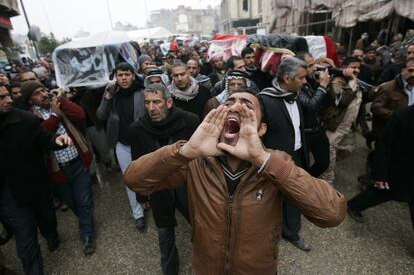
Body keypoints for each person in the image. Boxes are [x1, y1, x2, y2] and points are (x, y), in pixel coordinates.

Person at [124, 89, 346, 275]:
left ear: (261, 129)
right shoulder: (197, 161)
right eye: (228, 103)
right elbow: (135, 180)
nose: (235, 107)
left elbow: (332, 213)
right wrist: (185, 151)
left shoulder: (277, 162)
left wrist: (263, 160)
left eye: (247, 105)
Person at [0, 84, 72, 274]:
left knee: (47, 219)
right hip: (9, 194)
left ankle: (51, 236)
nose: (8, 100)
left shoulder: (25, 119)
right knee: (26, 238)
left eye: (7, 95)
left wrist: (57, 141)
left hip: (36, 184)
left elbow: (44, 138)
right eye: (1, 98)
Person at [129, 83, 199, 275]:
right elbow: (138, 164)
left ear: (168, 102)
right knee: (165, 233)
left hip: (188, 185)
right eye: (147, 103)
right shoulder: (137, 129)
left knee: (201, 227)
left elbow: (202, 157)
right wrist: (141, 196)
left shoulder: (189, 121)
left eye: (156, 102)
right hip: (159, 188)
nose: (151, 108)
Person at [21, 81, 96, 256]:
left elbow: (80, 115)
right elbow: (41, 137)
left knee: (84, 201)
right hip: (58, 171)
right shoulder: (29, 117)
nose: (44, 94)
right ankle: (87, 221)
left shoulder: (59, 104)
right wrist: (55, 116)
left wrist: (63, 100)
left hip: (77, 162)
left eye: (43, 90)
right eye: (37, 93)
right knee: (73, 203)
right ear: (30, 100)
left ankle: (87, 235)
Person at [259, 57, 312, 251]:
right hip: (274, 161)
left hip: (297, 156)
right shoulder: (264, 100)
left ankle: (291, 233)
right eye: (301, 78)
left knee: (294, 196)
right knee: (268, 198)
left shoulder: (295, 95)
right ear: (287, 79)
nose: (305, 82)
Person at [96, 62, 147, 230]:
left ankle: (148, 200)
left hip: (141, 142)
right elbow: (101, 115)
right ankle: (138, 213)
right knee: (129, 178)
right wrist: (107, 98)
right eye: (120, 75)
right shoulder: (111, 93)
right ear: (115, 77)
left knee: (146, 174)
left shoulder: (141, 92)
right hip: (122, 144)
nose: (124, 78)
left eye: (127, 74)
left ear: (133, 75)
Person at [347, 106, 414, 232]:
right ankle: (353, 205)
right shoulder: (402, 117)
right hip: (398, 172)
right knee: (380, 193)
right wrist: (380, 175)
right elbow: (383, 147)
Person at [321, 57, 363, 184]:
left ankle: (327, 167)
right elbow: (342, 101)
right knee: (330, 151)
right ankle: (326, 179)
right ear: (344, 68)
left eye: (358, 67)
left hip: (349, 126)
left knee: (347, 150)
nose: (356, 70)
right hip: (336, 124)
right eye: (353, 67)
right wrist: (352, 83)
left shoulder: (356, 81)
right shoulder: (338, 81)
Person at [296, 52, 331, 177]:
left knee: (324, 163)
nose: (315, 68)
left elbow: (329, 102)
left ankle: (309, 180)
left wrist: (323, 85)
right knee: (302, 165)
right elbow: (310, 105)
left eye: (314, 63)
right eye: (310, 65)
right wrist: (322, 86)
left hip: (319, 129)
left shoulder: (312, 80)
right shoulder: (297, 83)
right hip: (305, 133)